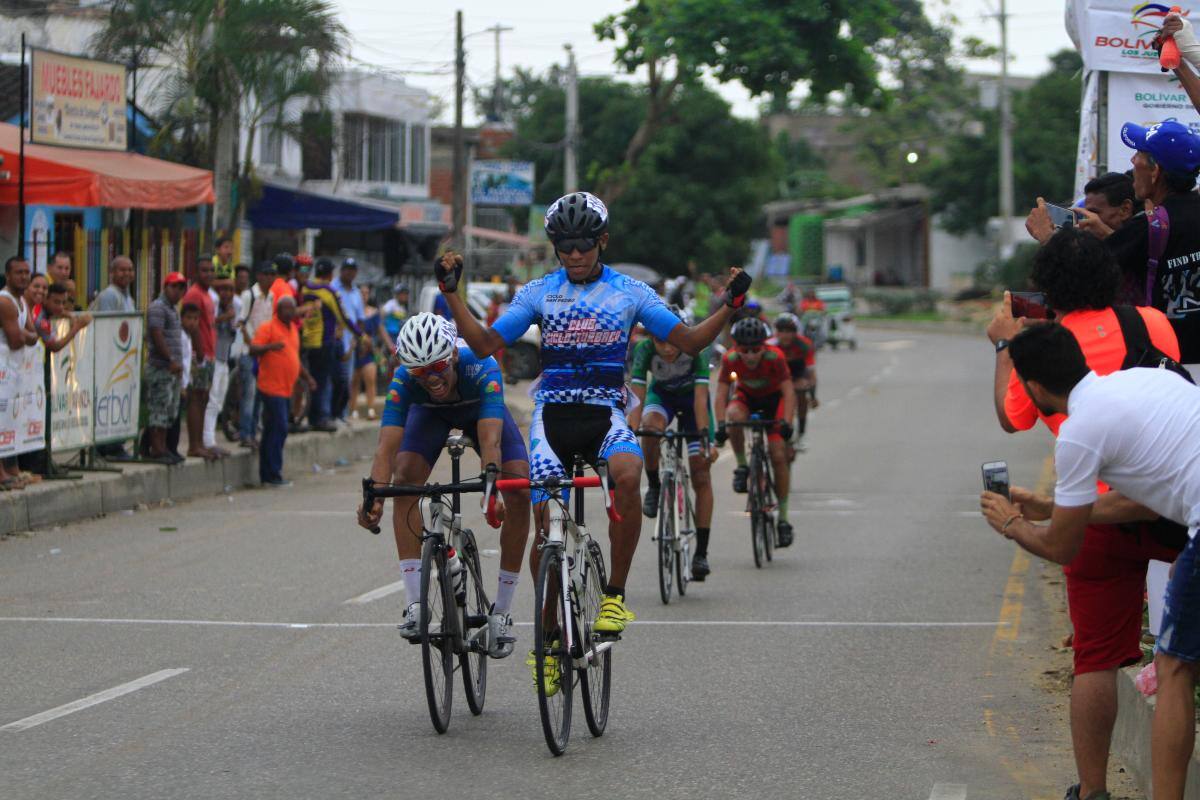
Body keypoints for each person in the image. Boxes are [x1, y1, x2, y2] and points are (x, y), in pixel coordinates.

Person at [434, 190, 751, 645]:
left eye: (584, 244)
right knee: (545, 530)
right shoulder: (540, 291)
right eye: (565, 246)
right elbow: (485, 345)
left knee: (629, 469)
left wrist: (730, 306)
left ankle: (614, 597)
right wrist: (452, 296)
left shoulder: (630, 292)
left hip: (605, 412)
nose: (575, 254)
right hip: (552, 416)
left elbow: (692, 340)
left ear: (603, 241)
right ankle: (546, 640)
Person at [986, 227, 1184, 800]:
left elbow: (1012, 417)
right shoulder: (1151, 322)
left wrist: (1004, 346)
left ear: (1046, 288)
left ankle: (1093, 791)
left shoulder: (1044, 348)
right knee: (1182, 649)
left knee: (1096, 657)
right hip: (1170, 499)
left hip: (1089, 511)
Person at [357, 313, 531, 657]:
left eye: (437, 367)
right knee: (403, 480)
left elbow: (491, 442)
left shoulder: (481, 365)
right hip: (430, 416)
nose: (431, 378)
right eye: (420, 372)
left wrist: (492, 488)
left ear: (452, 354)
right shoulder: (404, 380)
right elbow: (386, 447)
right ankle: (415, 604)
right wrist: (373, 496)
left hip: (481, 411)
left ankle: (502, 613)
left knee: (520, 488)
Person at [1096, 120, 1200, 361]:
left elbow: (1087, 273)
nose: (1132, 162)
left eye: (1139, 154)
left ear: (1155, 172)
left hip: (1169, 364)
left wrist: (1049, 237)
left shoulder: (1147, 226)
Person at [626, 305, 716, 580]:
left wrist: (704, 438)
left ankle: (701, 552)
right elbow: (637, 395)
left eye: (671, 340)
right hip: (661, 398)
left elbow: (701, 400)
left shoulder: (697, 350)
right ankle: (654, 485)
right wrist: (629, 431)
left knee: (700, 471)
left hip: (692, 404)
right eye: (659, 340)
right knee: (650, 430)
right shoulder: (643, 350)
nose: (665, 348)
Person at [714, 316, 795, 544]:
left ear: (765, 346)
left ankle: (784, 519)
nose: (750, 355)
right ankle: (742, 465)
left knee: (778, 455)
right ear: (736, 346)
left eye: (755, 349)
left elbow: (788, 393)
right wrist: (721, 425)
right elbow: (721, 395)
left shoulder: (775, 357)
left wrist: (787, 422)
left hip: (774, 402)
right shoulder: (730, 359)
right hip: (747, 398)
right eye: (744, 350)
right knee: (734, 417)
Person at [251, 295, 314, 488]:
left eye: (291, 309)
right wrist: (271, 346)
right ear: (277, 310)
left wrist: (308, 378)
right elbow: (253, 349)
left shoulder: (293, 329)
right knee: (278, 429)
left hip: (286, 389)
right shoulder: (267, 327)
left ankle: (269, 474)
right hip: (270, 388)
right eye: (285, 309)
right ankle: (272, 474)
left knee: (275, 430)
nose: (288, 312)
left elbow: (294, 358)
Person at [301, 258, 363, 432]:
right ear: (330, 274)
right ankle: (320, 418)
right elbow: (343, 316)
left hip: (307, 341)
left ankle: (316, 416)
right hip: (325, 341)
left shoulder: (306, 288)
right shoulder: (329, 291)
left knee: (314, 380)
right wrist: (360, 335)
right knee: (323, 381)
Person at [0, 257, 40, 489]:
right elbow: (17, 340)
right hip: (3, 370)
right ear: (8, 275)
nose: (24, 276)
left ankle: (11, 468)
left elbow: (33, 335)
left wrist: (27, 335)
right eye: (18, 272)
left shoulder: (23, 301)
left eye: (27, 272)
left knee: (11, 422)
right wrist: (27, 336)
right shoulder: (5, 301)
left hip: (14, 372)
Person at [145, 273, 189, 464]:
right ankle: (157, 449)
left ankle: (163, 448)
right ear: (165, 287)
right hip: (160, 367)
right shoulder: (158, 307)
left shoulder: (173, 310)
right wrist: (170, 359)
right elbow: (157, 335)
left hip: (172, 370)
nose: (177, 291)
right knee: (159, 410)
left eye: (181, 288)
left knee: (169, 411)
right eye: (174, 287)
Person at [1025, 173, 1138, 247]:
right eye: (1084, 214)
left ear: (1125, 209)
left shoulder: (1145, 244)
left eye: (1094, 213)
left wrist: (1047, 239)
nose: (1086, 222)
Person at [182, 257, 219, 461]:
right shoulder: (194, 294)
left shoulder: (207, 294)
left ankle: (201, 443)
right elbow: (193, 325)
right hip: (199, 355)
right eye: (204, 270)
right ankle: (194, 445)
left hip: (209, 354)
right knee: (196, 399)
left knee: (204, 398)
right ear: (196, 272)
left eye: (211, 270)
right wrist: (200, 353)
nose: (209, 274)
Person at [236, 262, 276, 448]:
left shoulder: (271, 297)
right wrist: (251, 344)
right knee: (249, 395)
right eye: (266, 275)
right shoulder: (249, 295)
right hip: (249, 352)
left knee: (259, 397)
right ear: (259, 276)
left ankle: (252, 432)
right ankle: (245, 434)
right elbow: (241, 323)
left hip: (264, 354)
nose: (269, 279)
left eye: (272, 275)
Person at [769, 313, 818, 452]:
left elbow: (811, 373)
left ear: (796, 332)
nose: (785, 335)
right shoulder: (770, 345)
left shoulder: (804, 345)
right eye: (781, 331)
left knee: (802, 391)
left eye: (789, 331)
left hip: (797, 373)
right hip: (777, 375)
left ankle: (801, 434)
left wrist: (813, 396)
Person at [202, 280, 237, 457]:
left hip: (224, 359)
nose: (227, 293)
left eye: (230, 290)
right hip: (213, 359)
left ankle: (210, 439)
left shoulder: (233, 308)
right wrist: (226, 317)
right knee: (212, 400)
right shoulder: (214, 306)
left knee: (219, 401)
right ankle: (207, 441)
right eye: (223, 289)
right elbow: (208, 324)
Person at [334, 258, 364, 421]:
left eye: (353, 269)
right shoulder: (333, 287)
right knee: (334, 380)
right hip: (334, 342)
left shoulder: (357, 292)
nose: (350, 272)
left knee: (347, 381)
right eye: (347, 269)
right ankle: (332, 414)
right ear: (342, 270)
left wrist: (360, 342)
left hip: (350, 345)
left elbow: (360, 319)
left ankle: (343, 414)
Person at [350, 284, 380, 420]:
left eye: (366, 293)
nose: (364, 296)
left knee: (370, 379)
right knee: (354, 381)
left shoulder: (373, 312)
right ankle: (353, 409)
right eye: (362, 293)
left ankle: (371, 409)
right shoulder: (352, 312)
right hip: (354, 349)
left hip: (368, 350)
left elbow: (380, 330)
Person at [34, 283, 91, 353]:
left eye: (63, 303)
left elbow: (58, 311)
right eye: (56, 302)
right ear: (45, 299)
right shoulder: (41, 321)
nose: (61, 307)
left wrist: (70, 316)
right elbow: (55, 346)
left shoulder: (39, 306)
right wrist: (78, 327)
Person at [380, 283, 409, 354]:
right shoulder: (392, 304)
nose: (405, 296)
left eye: (406, 294)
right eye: (403, 294)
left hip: (398, 336)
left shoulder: (403, 307)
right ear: (397, 295)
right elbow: (381, 313)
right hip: (389, 336)